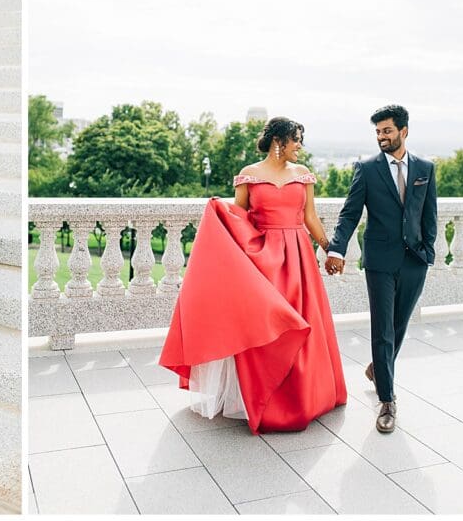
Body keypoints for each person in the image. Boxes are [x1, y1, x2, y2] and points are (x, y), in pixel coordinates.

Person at [160, 117, 347, 434]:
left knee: (301, 321)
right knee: (265, 325)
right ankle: (259, 398)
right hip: (263, 259)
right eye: (296, 140)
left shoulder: (303, 176)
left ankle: (305, 396)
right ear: (279, 141)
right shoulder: (248, 175)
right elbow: (239, 218)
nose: (300, 146)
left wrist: (331, 249)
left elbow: (310, 217)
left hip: (299, 257)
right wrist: (218, 214)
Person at [324, 104, 437, 434]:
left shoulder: (425, 168)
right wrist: (337, 248)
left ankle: (378, 368)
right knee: (383, 329)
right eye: (377, 132)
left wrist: (427, 251)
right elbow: (349, 214)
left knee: (400, 324)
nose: (381, 137)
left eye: (387, 131)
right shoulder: (367, 168)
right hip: (379, 262)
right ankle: (387, 400)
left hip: (415, 260)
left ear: (403, 131)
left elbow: (429, 213)